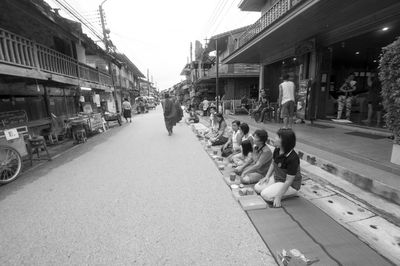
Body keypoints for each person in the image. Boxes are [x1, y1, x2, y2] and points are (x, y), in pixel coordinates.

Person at [254, 128, 302, 208]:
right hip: (277, 179)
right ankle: (275, 189)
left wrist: (279, 197)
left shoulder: (293, 158)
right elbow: (273, 163)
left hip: (290, 184)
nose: (274, 138)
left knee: (265, 195)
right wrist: (267, 176)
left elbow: (288, 181)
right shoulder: (277, 149)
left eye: (277, 137)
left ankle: (293, 193)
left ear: (285, 141)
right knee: (257, 188)